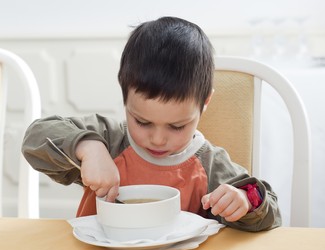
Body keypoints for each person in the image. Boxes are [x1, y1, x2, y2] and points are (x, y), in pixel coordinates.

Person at [22, 16, 281, 232]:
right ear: (124, 97)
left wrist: (246, 200)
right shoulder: (109, 141)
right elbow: (35, 137)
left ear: (204, 103)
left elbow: (271, 215)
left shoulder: (210, 165)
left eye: (177, 126)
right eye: (143, 121)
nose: (157, 139)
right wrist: (88, 148)